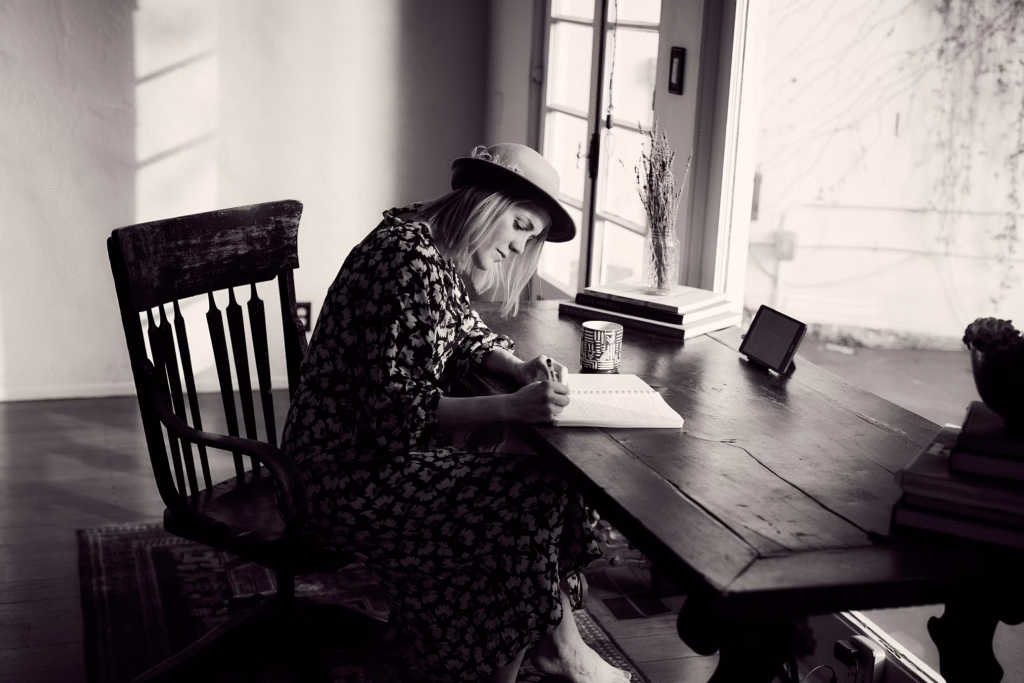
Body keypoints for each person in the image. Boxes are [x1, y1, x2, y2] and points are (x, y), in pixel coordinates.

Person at [280, 143, 631, 683]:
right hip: (340, 476)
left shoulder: (424, 240)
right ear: (486, 202)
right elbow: (395, 415)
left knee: (541, 485)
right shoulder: (406, 262)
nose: (519, 246)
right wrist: (510, 406)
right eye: (520, 226)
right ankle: (532, 657)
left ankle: (554, 646)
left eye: (531, 238)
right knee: (527, 499)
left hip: (368, 459)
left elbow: (458, 328)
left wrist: (515, 365)